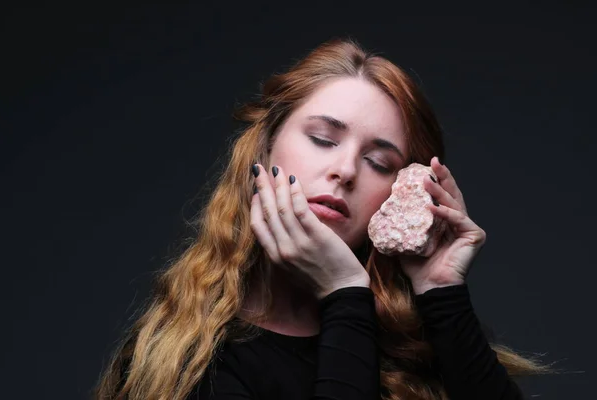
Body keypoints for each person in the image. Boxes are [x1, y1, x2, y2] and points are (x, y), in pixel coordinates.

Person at [93, 38, 552, 400]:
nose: (346, 170)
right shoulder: (184, 359)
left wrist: (442, 294)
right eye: (323, 138)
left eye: (379, 162)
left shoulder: (414, 347)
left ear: (400, 192)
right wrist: (345, 296)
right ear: (265, 147)